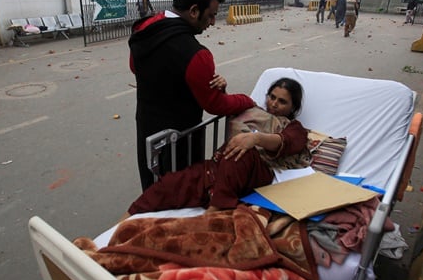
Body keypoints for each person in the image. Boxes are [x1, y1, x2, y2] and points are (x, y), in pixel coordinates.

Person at [128, 0, 256, 191]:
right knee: (181, 193)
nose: (213, 22)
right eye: (211, 15)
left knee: (152, 188)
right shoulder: (196, 55)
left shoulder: (146, 28)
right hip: (179, 141)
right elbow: (215, 104)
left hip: (147, 129)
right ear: (194, 11)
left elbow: (135, 67)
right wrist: (246, 100)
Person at [121, 78, 309, 218]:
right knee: (169, 184)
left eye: (282, 101)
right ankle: (121, 224)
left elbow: (289, 142)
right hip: (219, 169)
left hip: (251, 171)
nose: (274, 104)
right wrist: (222, 90)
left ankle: (216, 209)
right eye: (272, 97)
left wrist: (255, 138)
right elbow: (227, 108)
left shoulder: (294, 128)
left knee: (240, 150)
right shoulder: (252, 110)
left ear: (293, 107)